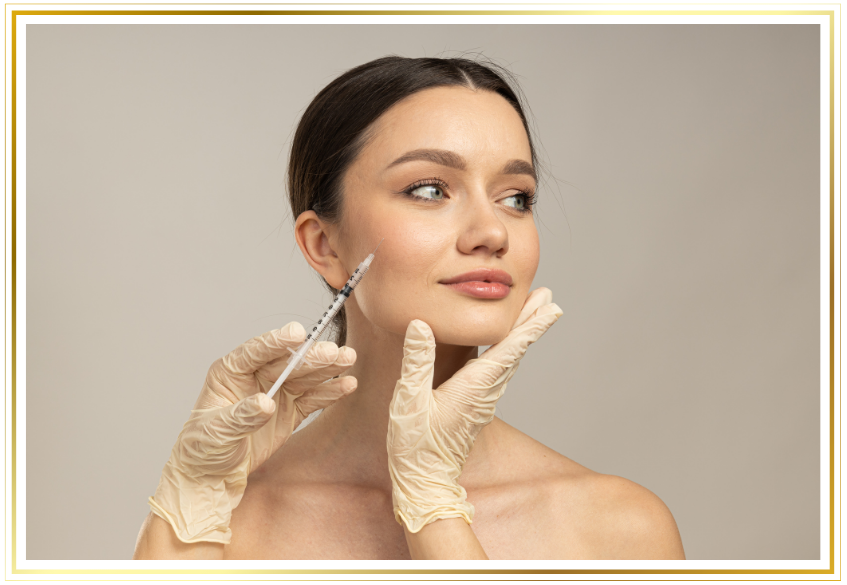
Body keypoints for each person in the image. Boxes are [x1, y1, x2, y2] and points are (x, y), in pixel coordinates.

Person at [132, 55, 686, 560]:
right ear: (324, 245)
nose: (492, 231)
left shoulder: (618, 529)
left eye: (515, 197)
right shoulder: (221, 525)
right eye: (429, 190)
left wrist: (435, 511)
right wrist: (187, 521)